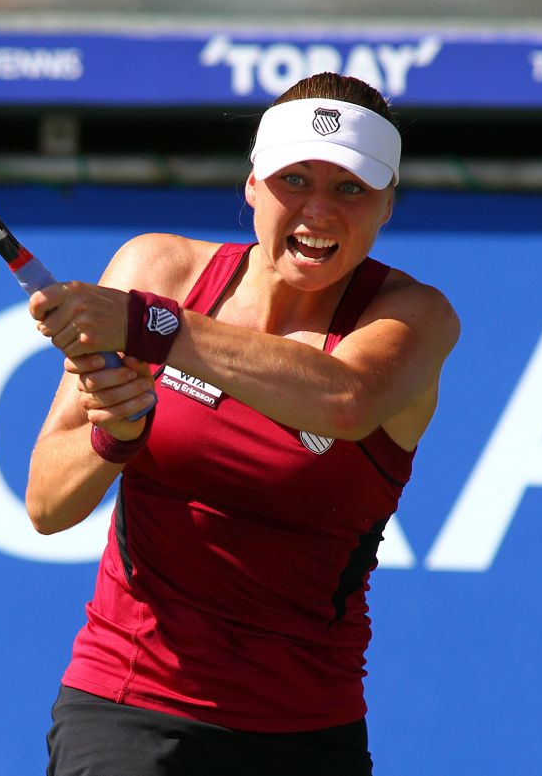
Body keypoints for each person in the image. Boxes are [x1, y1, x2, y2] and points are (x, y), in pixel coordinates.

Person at [25, 71, 460, 776]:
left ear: (386, 206)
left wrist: (149, 327)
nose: (319, 210)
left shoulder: (414, 317)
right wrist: (116, 435)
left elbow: (343, 399)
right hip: (129, 707)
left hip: (307, 731)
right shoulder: (157, 267)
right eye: (295, 180)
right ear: (252, 185)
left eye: (351, 188)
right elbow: (47, 502)